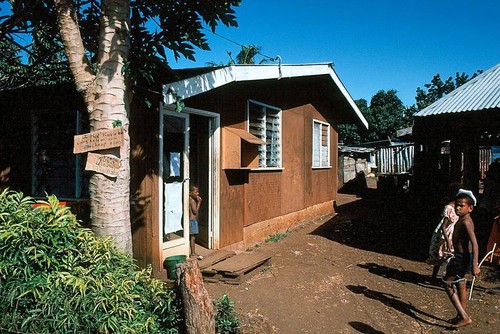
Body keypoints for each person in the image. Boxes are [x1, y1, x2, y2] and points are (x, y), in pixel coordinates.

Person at [442, 189, 480, 328]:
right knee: (461, 283)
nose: (457, 208)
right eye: (456, 205)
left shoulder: (467, 222)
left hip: (461, 257)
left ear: (470, 208)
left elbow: (475, 244)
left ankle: (464, 317)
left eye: (461, 206)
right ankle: (461, 315)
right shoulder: (462, 219)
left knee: (447, 283)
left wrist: (475, 265)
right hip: (463, 256)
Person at [426, 184, 461, 281]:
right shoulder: (449, 208)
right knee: (441, 257)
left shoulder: (459, 208)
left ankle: (444, 278)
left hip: (453, 236)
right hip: (446, 236)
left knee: (448, 258)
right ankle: (439, 278)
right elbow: (443, 226)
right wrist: (447, 240)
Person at [189, 184, 203, 260]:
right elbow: (195, 211)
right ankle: (193, 253)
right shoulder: (192, 200)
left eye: (198, 192)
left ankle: (193, 252)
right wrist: (199, 202)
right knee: (193, 237)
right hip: (192, 220)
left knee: (192, 237)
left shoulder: (189, 199)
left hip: (191, 220)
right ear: (190, 192)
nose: (197, 194)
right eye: (196, 192)